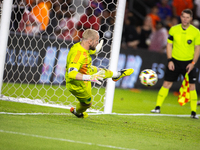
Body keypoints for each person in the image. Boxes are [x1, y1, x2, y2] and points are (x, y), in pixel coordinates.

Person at [66, 29, 134, 118]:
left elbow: (91, 50)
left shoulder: (80, 46)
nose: (98, 42)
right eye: (96, 41)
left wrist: (96, 49)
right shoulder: (78, 55)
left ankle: (117, 75)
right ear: (90, 41)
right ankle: (77, 112)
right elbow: (71, 73)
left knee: (99, 70)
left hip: (86, 70)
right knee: (88, 104)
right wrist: (90, 77)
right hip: (77, 84)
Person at [151, 9, 200, 119]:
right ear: (180, 17)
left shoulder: (196, 32)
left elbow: (197, 49)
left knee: (192, 87)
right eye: (183, 16)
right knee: (167, 84)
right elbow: (169, 45)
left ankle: (193, 112)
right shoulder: (173, 29)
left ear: (191, 18)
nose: (185, 19)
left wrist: (193, 63)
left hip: (189, 62)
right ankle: (157, 107)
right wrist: (170, 60)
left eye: (187, 17)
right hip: (175, 61)